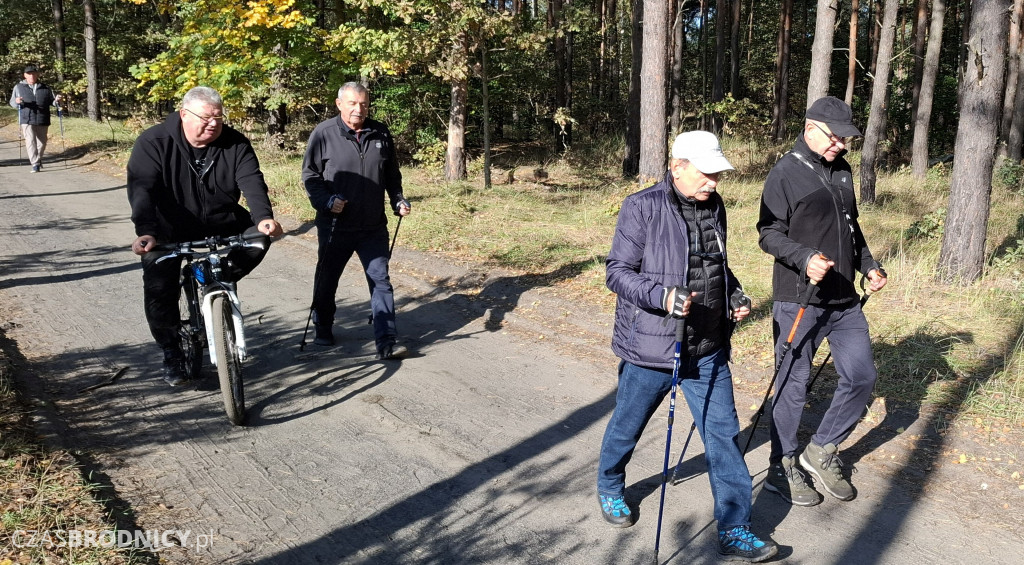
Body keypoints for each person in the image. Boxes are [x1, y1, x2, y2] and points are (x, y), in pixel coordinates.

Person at [596, 131, 778, 563]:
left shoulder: (715, 206)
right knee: (627, 424)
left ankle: (735, 528)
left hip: (708, 346)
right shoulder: (642, 207)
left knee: (723, 437)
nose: (714, 181)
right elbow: (617, 272)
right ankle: (609, 485)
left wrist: (734, 296)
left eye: (718, 173)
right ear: (677, 167)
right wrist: (661, 295)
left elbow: (717, 265)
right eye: (707, 172)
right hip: (652, 347)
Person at [757, 96, 887, 507]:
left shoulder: (843, 171)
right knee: (793, 386)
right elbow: (767, 232)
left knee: (861, 376)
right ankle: (783, 464)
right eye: (836, 138)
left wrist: (869, 264)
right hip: (800, 299)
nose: (842, 146)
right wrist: (805, 258)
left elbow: (852, 227)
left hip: (844, 298)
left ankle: (821, 449)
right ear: (811, 128)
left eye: (847, 139)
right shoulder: (785, 173)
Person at [127, 86, 283, 386]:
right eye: (206, 117)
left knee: (259, 238)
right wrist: (145, 231)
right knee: (160, 289)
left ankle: (221, 277)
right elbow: (141, 189)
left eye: (219, 118)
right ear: (184, 114)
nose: (213, 123)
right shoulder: (154, 141)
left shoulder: (234, 143)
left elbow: (251, 180)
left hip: (223, 221)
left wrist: (264, 217)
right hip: (167, 229)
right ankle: (171, 352)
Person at [302, 82, 411, 360]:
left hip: (372, 225)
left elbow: (391, 175)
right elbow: (311, 177)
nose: (358, 109)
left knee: (380, 280)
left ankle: (386, 340)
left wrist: (397, 199)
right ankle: (323, 325)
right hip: (336, 224)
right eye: (352, 103)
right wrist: (327, 201)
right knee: (327, 279)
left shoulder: (380, 132)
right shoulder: (323, 133)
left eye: (363, 104)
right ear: (339, 104)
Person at [9, 65, 62, 173]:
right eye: (29, 74)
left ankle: (37, 159)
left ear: (38, 75)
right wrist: (17, 102)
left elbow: (52, 102)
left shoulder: (46, 88)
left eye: (34, 73)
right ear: (25, 75)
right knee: (30, 141)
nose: (32, 76)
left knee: (42, 143)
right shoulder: (18, 87)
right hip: (26, 118)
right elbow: (12, 102)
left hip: (43, 118)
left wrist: (57, 100)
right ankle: (35, 164)